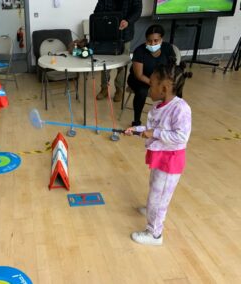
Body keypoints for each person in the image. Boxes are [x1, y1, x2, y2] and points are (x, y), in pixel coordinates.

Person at [124, 62, 192, 245]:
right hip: (160, 156)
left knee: (159, 198)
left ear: (164, 88)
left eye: (151, 84)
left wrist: (153, 133)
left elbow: (181, 136)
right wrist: (135, 129)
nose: (149, 87)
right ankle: (151, 208)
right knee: (155, 187)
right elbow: (150, 128)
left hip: (170, 161)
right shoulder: (158, 106)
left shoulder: (181, 109)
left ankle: (154, 234)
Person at [128, 24, 176, 126]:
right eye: (149, 41)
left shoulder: (167, 48)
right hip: (140, 80)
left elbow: (171, 68)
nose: (152, 43)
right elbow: (139, 75)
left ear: (161, 40)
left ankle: (171, 120)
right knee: (142, 92)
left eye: (156, 40)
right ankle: (136, 121)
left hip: (160, 79)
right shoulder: (139, 51)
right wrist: (154, 84)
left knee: (174, 91)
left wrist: (163, 83)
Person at [94, 0, 142, 102]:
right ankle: (104, 89)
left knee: (122, 65)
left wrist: (128, 21)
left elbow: (137, 11)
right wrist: (104, 20)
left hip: (125, 35)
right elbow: (97, 11)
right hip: (107, 34)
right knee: (105, 63)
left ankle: (119, 90)